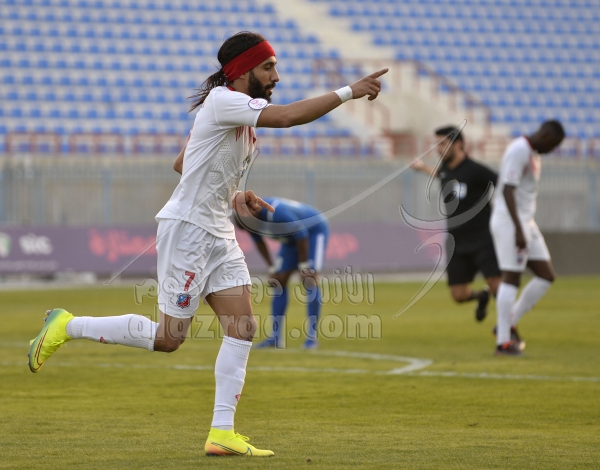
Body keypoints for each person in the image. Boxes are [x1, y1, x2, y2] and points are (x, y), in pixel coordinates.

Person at [27, 32, 388, 457]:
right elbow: (289, 117)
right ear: (242, 71)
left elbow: (184, 162)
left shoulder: (234, 115)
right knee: (169, 338)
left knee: (243, 327)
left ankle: (221, 432)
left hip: (218, 231)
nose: (276, 76)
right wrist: (348, 91)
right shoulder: (223, 101)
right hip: (189, 231)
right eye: (268, 67)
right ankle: (67, 325)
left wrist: (234, 196)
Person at [490, 120, 565, 356]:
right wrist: (518, 230)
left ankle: (508, 322)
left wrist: (524, 226)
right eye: (553, 145)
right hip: (510, 222)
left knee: (546, 276)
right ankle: (503, 342)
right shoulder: (519, 150)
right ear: (545, 136)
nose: (552, 150)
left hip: (526, 222)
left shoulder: (532, 153)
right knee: (511, 277)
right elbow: (507, 190)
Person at [412, 126, 501, 321]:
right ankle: (482, 296)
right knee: (458, 295)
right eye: (437, 144)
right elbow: (439, 174)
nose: (438, 148)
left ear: (458, 144)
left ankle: (508, 331)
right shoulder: (445, 170)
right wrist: (422, 168)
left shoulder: (475, 170)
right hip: (457, 241)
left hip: (483, 238)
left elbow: (502, 184)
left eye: (443, 144)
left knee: (498, 287)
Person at [235, 197, 329, 350]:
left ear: (253, 212)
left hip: (313, 232)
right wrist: (272, 269)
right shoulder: (249, 221)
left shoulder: (275, 212)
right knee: (278, 282)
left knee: (309, 280)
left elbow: (302, 234)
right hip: (292, 240)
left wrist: (304, 266)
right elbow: (259, 243)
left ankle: (312, 337)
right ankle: (276, 337)